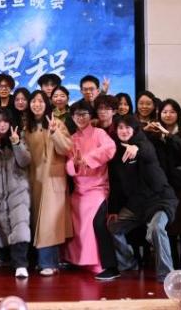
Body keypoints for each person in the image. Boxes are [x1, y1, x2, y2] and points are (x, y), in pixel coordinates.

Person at [106, 117, 178, 282]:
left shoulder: (144, 143)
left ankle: (166, 274)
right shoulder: (116, 152)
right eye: (120, 128)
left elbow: (147, 150)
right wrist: (114, 210)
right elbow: (116, 185)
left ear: (134, 129)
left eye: (128, 127)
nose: (124, 131)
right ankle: (128, 264)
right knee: (112, 227)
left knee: (156, 229)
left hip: (159, 200)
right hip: (136, 205)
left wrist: (136, 147)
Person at [65, 100, 118, 279]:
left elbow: (110, 148)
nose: (80, 118)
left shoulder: (99, 133)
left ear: (90, 116)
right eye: (77, 115)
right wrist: (74, 164)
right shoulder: (72, 139)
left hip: (97, 187)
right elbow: (68, 165)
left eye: (84, 114)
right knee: (76, 225)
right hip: (79, 189)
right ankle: (78, 260)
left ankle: (107, 265)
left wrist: (87, 159)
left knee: (96, 224)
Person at [23, 90, 72, 276]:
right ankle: (45, 261)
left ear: (47, 104)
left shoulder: (57, 123)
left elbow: (67, 148)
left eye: (40, 101)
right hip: (34, 180)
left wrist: (54, 132)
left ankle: (47, 263)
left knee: (49, 223)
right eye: (33, 101)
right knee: (37, 221)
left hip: (53, 179)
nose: (37, 105)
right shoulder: (26, 127)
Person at [149, 99, 181, 270]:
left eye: (172, 112)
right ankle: (172, 259)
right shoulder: (154, 134)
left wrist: (168, 135)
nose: (168, 115)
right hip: (164, 186)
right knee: (169, 224)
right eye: (164, 112)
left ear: (178, 114)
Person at [0, 109, 31, 278]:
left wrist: (17, 144)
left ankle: (21, 264)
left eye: (5, 121)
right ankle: (3, 257)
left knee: (20, 224)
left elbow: (25, 161)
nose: (2, 125)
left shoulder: (20, 136)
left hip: (18, 189)